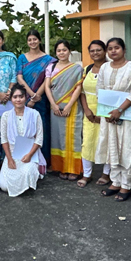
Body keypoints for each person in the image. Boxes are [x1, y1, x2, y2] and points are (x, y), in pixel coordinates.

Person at [96, 37, 131, 202]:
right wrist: (108, 111)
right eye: (110, 48)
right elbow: (100, 88)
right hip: (109, 115)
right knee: (112, 146)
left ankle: (126, 185)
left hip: (127, 113)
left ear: (124, 49)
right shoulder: (104, 67)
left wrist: (119, 110)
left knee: (126, 147)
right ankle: (115, 182)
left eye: (116, 48)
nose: (113, 51)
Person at [44, 39, 84, 181]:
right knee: (58, 136)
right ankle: (60, 167)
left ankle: (73, 169)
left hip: (72, 107)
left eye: (64, 50)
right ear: (56, 52)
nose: (62, 53)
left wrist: (69, 105)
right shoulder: (51, 67)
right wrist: (53, 104)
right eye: (59, 50)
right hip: (55, 106)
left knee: (73, 137)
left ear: (69, 51)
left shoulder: (77, 68)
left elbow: (78, 87)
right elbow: (47, 86)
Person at [15, 29, 53, 164]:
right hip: (23, 98)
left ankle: (44, 160)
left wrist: (37, 96)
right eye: (30, 40)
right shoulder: (22, 58)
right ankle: (24, 157)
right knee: (24, 127)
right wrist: (31, 95)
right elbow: (19, 77)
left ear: (39, 40)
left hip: (41, 99)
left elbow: (47, 79)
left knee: (41, 127)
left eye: (35, 39)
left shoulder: (48, 60)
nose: (32, 42)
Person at [0, 84, 44, 197]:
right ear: (11, 99)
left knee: (27, 172)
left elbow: (39, 138)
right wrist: (9, 159)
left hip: (30, 154)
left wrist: (29, 155)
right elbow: (4, 139)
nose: (18, 100)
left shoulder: (35, 114)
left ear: (25, 97)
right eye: (15, 97)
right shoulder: (6, 116)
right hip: (12, 153)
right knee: (4, 186)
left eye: (21, 96)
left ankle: (33, 174)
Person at [78, 40, 107, 188]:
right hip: (89, 112)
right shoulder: (87, 69)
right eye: (92, 50)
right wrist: (87, 110)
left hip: (107, 113)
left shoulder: (110, 68)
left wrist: (104, 114)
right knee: (88, 142)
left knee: (107, 142)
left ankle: (106, 173)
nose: (95, 53)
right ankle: (87, 174)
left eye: (98, 50)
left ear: (105, 51)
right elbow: (82, 92)